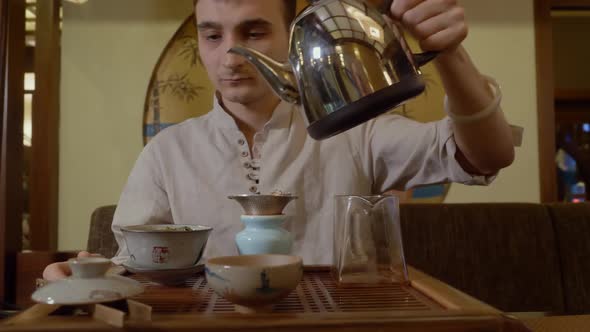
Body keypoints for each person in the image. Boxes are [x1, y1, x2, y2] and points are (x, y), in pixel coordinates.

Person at [43, 0, 515, 280]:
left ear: (292, 38)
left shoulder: (356, 129)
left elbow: (488, 155)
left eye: (253, 31)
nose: (231, 55)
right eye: (212, 35)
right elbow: (132, 264)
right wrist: (83, 274)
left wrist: (450, 52)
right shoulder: (166, 154)